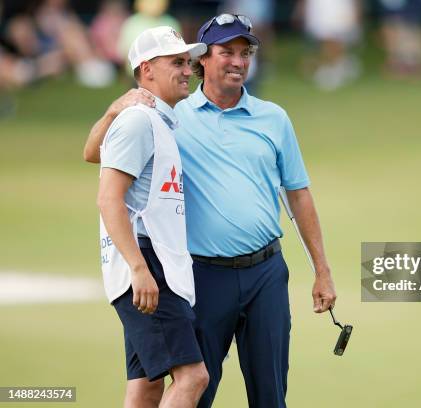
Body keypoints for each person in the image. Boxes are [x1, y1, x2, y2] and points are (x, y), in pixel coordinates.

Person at [84, 14, 337, 408]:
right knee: (196, 388)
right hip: (201, 276)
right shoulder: (169, 113)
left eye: (245, 53)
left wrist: (322, 270)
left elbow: (298, 195)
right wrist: (115, 109)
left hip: (266, 273)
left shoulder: (274, 118)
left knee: (271, 395)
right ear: (203, 59)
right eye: (227, 53)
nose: (238, 62)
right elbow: (98, 155)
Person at [95, 26, 209, 407]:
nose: (188, 70)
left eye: (188, 62)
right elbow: (109, 198)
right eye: (177, 62)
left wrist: (112, 110)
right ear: (147, 70)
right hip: (147, 263)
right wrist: (139, 269)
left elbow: (92, 153)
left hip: (150, 261)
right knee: (193, 377)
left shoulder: (152, 121)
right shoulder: (139, 122)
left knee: (146, 385)